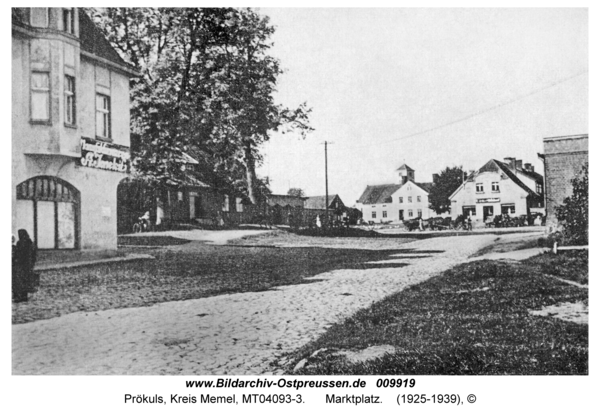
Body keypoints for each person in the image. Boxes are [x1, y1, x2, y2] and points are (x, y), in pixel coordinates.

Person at [13, 229, 37, 302]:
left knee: (22, 280)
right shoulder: (28, 243)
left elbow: (18, 254)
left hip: (23, 264)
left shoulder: (23, 243)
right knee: (23, 280)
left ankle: (21, 296)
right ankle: (22, 296)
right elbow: (34, 254)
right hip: (25, 264)